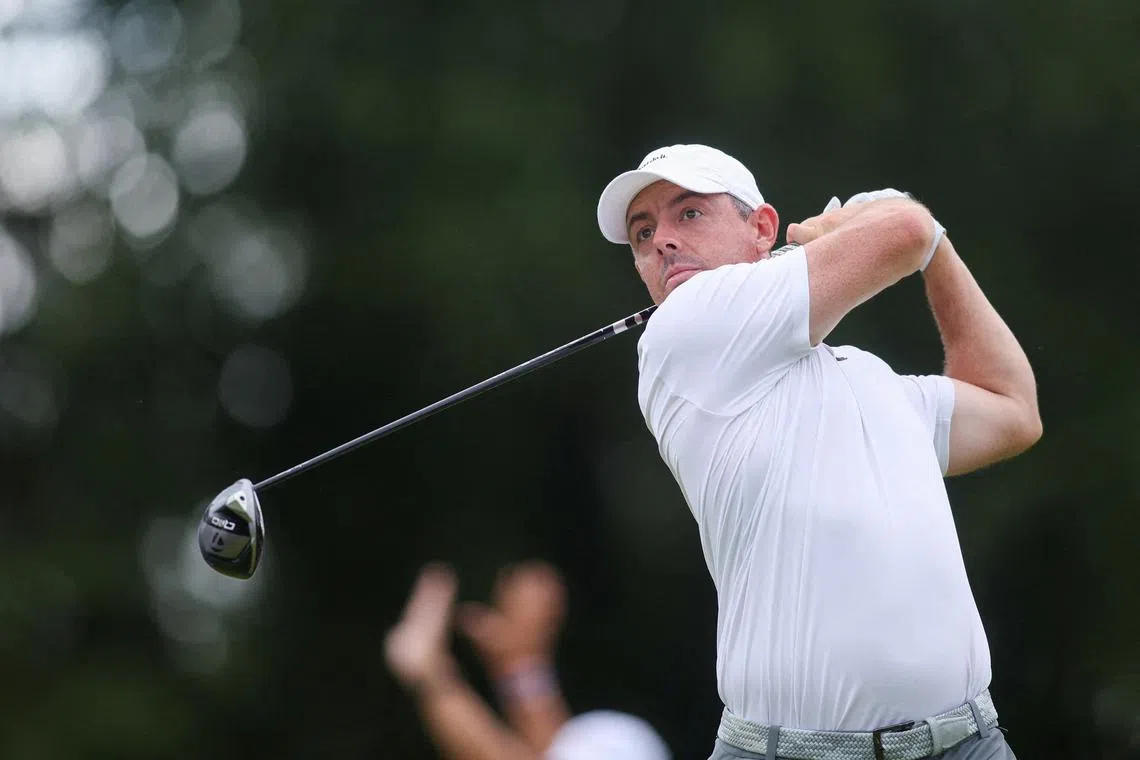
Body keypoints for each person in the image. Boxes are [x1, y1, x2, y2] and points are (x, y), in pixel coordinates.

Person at [594, 144, 1042, 760]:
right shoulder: (682, 333)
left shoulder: (870, 379)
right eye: (643, 234)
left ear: (760, 228)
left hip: (968, 742)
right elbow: (903, 230)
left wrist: (939, 250)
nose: (662, 241)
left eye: (688, 214)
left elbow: (1012, 410)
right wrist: (845, 231)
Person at [384, 560, 672, 760]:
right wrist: (521, 664)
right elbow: (548, 750)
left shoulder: (621, 741)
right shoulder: (615, 739)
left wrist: (431, 678)